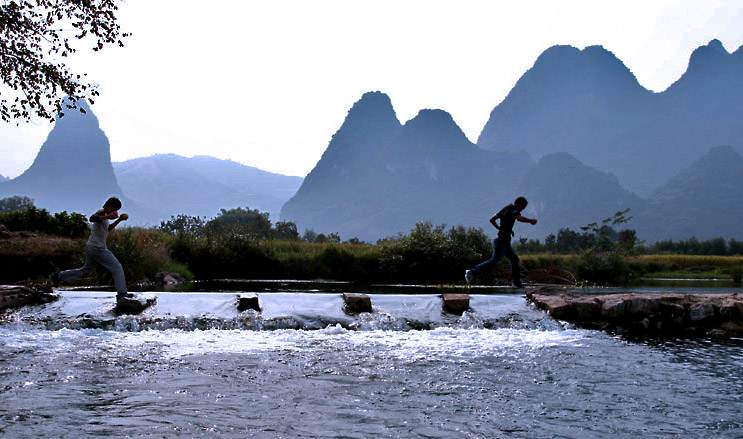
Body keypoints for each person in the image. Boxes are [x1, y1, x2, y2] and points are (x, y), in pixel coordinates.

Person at [52, 197, 132, 300]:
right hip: (98, 248)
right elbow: (92, 218)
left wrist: (119, 220)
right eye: (115, 209)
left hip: (91, 247)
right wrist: (107, 217)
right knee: (117, 268)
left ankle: (59, 276)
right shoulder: (101, 213)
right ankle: (122, 294)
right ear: (110, 206)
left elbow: (108, 229)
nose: (115, 212)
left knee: (85, 271)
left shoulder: (105, 216)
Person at [465, 196, 537, 288]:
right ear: (520, 205)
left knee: (514, 259)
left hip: (504, 241)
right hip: (502, 242)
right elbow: (519, 218)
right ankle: (471, 272)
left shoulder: (505, 208)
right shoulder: (514, 209)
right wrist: (531, 221)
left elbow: (492, 219)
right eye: (522, 208)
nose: (521, 210)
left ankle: (516, 282)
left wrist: (500, 228)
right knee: (494, 261)